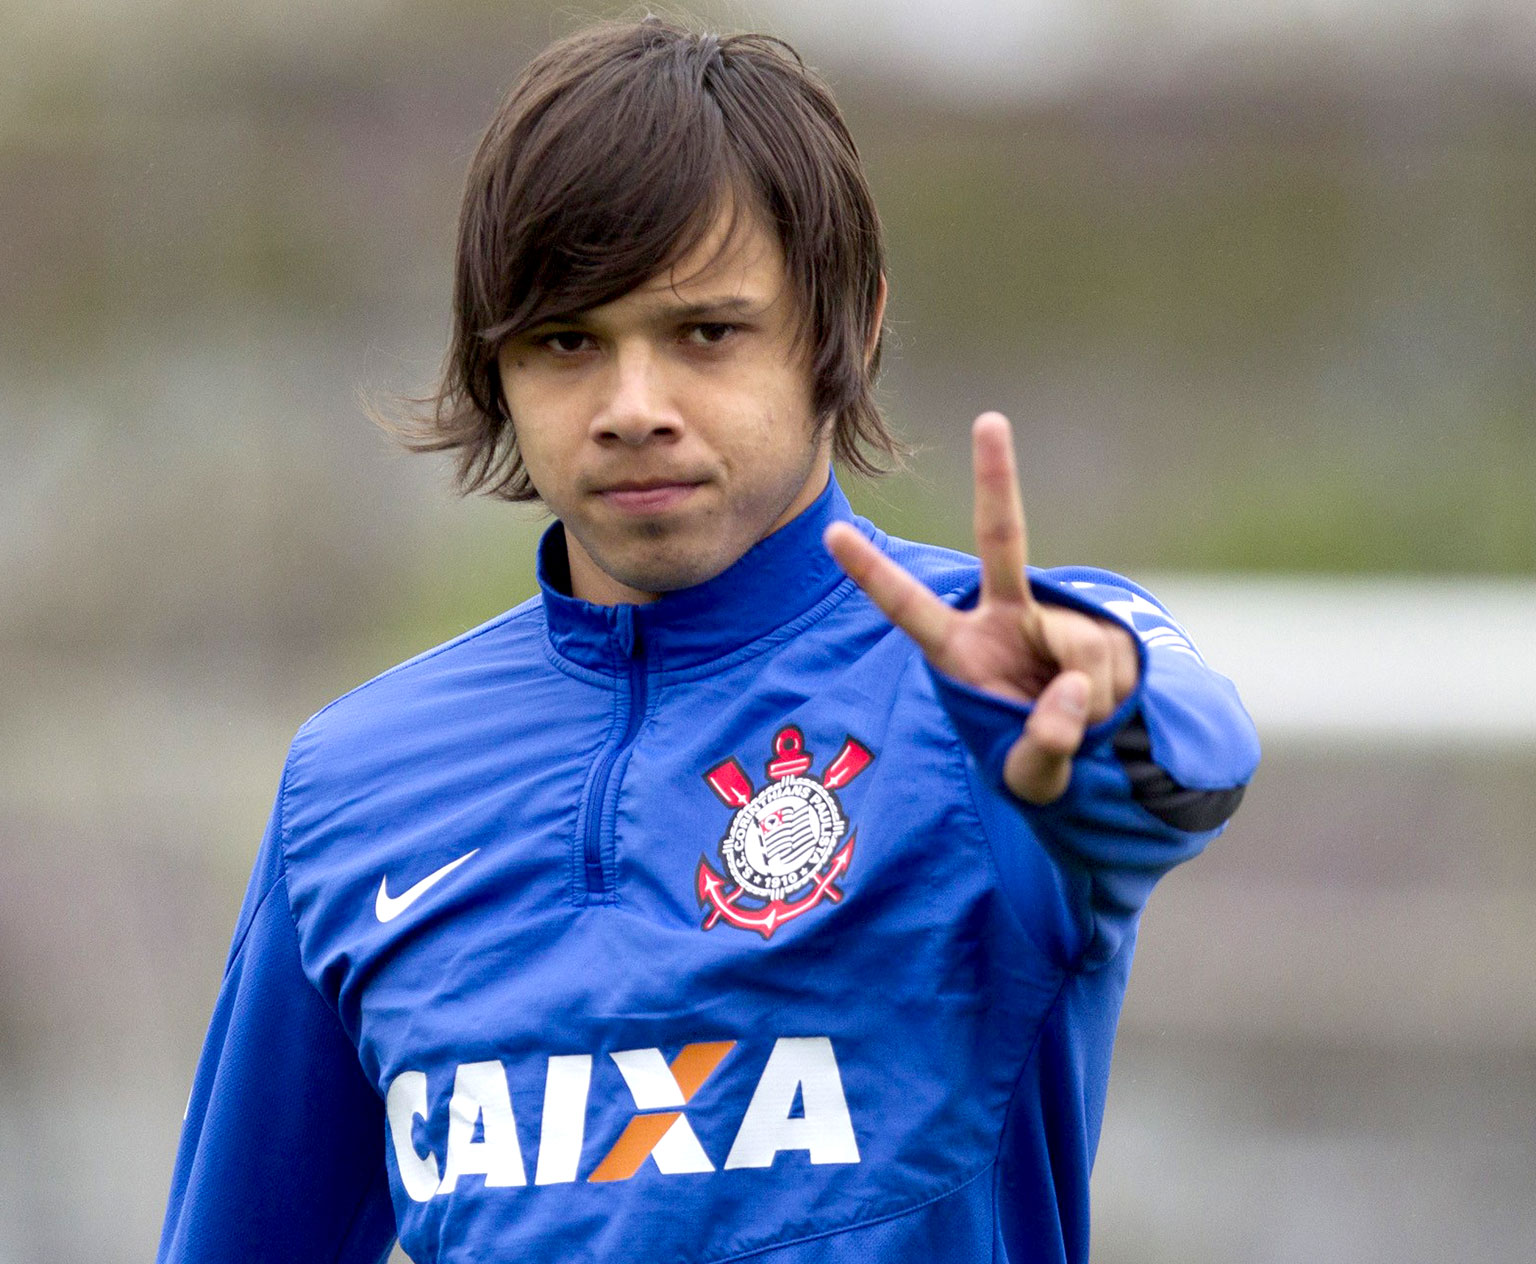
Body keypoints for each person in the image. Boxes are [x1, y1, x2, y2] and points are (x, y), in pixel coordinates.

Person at [158, 17, 1258, 1264]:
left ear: (847, 328)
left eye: (705, 333)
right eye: (568, 339)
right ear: (495, 364)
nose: (633, 409)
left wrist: (1098, 700)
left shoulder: (987, 687)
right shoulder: (356, 781)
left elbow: (1188, 757)